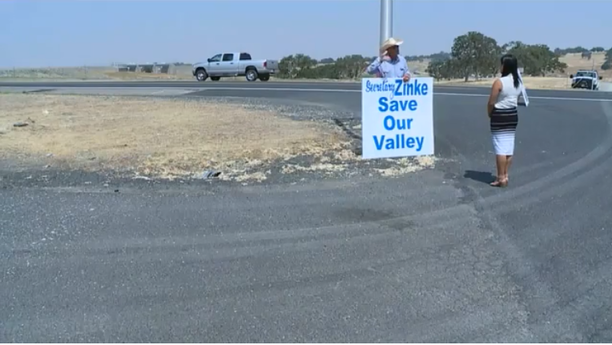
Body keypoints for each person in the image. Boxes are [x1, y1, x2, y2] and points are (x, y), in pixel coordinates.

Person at [487, 54, 523, 187]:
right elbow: (518, 99)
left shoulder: (499, 82)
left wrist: (490, 113)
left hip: (500, 115)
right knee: (508, 147)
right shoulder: (518, 82)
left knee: (500, 148)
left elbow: (491, 102)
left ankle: (500, 177)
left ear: (505, 66)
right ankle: (506, 174)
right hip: (512, 115)